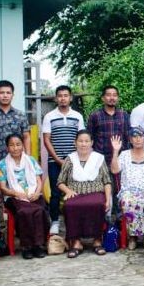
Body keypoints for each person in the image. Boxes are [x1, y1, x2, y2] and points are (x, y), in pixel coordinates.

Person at [56, 130, 112, 258]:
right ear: (75, 143)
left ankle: (97, 241)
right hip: (75, 194)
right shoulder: (70, 159)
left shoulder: (98, 158)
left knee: (98, 205)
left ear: (91, 143)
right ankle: (76, 243)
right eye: (80, 141)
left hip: (96, 192)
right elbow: (60, 182)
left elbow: (107, 182)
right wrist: (68, 191)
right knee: (70, 206)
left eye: (86, 141)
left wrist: (108, 200)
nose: (83, 144)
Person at [0, 133, 49, 260]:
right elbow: (3, 188)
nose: (15, 148)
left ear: (23, 145)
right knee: (24, 211)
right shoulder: (2, 164)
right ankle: (27, 246)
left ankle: (38, 245)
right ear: (7, 147)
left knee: (40, 210)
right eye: (12, 145)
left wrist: (37, 192)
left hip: (33, 194)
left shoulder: (31, 160)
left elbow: (39, 180)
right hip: (14, 197)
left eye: (18, 144)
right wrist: (16, 193)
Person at [43, 85, 85, 235]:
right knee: (55, 192)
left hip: (75, 161)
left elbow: (81, 139)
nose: (63, 98)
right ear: (56, 98)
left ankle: (75, 222)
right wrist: (57, 159)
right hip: (54, 161)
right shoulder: (49, 116)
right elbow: (47, 140)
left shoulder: (78, 116)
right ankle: (55, 222)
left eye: (65, 95)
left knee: (76, 190)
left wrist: (75, 159)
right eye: (60, 96)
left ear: (70, 98)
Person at [111, 128, 144, 250]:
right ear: (130, 139)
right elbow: (114, 170)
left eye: (141, 136)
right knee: (129, 201)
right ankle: (133, 236)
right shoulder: (124, 154)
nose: (138, 139)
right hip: (128, 191)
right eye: (134, 136)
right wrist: (115, 151)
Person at [88, 84, 131, 165]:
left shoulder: (124, 115)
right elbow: (90, 137)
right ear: (103, 98)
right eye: (108, 95)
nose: (112, 98)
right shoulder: (95, 115)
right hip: (101, 159)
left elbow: (128, 137)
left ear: (118, 98)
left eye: (114, 95)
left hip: (121, 158)